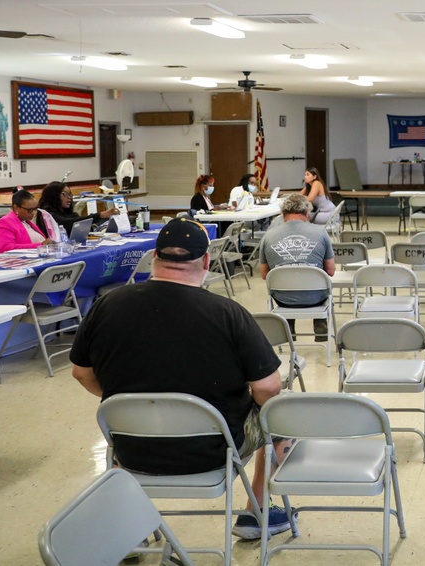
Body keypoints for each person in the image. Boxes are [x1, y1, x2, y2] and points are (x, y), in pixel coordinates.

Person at [70, 217, 292, 540]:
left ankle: (127, 530)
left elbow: (80, 372)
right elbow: (268, 387)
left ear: (154, 257)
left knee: (123, 421)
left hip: (133, 448)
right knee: (281, 413)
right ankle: (255, 513)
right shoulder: (229, 314)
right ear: (205, 261)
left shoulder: (106, 307)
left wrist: (139, 402)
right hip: (214, 449)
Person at [259, 193, 336, 340]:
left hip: (283, 297)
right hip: (316, 296)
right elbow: (331, 271)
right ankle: (320, 321)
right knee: (320, 283)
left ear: (282, 214)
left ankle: (288, 325)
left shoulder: (268, 236)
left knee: (285, 284)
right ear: (307, 213)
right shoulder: (321, 232)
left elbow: (264, 275)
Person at [0, 190, 58, 254]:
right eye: (29, 210)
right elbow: (4, 249)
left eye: (35, 209)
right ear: (16, 208)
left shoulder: (27, 222)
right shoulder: (4, 224)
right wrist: (40, 245)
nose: (34, 213)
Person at [37, 182, 120, 233]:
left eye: (70, 194)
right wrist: (100, 215)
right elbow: (68, 223)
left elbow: (82, 223)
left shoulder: (67, 212)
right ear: (53, 196)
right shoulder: (47, 214)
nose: (69, 197)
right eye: (65, 194)